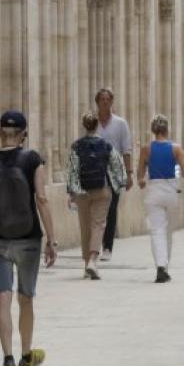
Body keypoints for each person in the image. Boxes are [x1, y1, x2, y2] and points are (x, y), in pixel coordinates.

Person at [0, 110, 57, 366]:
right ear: (24, 135)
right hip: (29, 238)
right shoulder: (32, 159)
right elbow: (41, 198)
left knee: (3, 297)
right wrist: (51, 240)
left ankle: (7, 360)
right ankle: (26, 356)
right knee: (26, 298)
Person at [68, 113, 123, 280]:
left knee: (85, 226)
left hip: (82, 191)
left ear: (85, 126)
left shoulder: (76, 146)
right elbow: (116, 164)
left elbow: (72, 169)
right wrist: (118, 183)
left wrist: (71, 191)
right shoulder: (106, 145)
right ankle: (93, 260)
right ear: (97, 125)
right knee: (98, 224)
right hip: (102, 188)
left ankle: (86, 265)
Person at [140, 115, 183, 283]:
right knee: (168, 231)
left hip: (154, 191)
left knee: (157, 230)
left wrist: (141, 179)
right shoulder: (176, 149)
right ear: (166, 129)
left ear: (153, 130)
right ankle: (165, 266)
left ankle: (160, 265)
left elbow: (140, 174)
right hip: (171, 191)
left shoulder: (146, 149)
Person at [94, 88, 134, 260]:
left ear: (111, 101)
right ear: (97, 102)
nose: (104, 102)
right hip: (95, 171)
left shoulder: (120, 123)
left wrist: (129, 173)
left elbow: (126, 149)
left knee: (111, 209)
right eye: (101, 99)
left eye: (107, 99)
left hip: (115, 172)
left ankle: (107, 247)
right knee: (96, 210)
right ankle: (95, 244)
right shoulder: (92, 123)